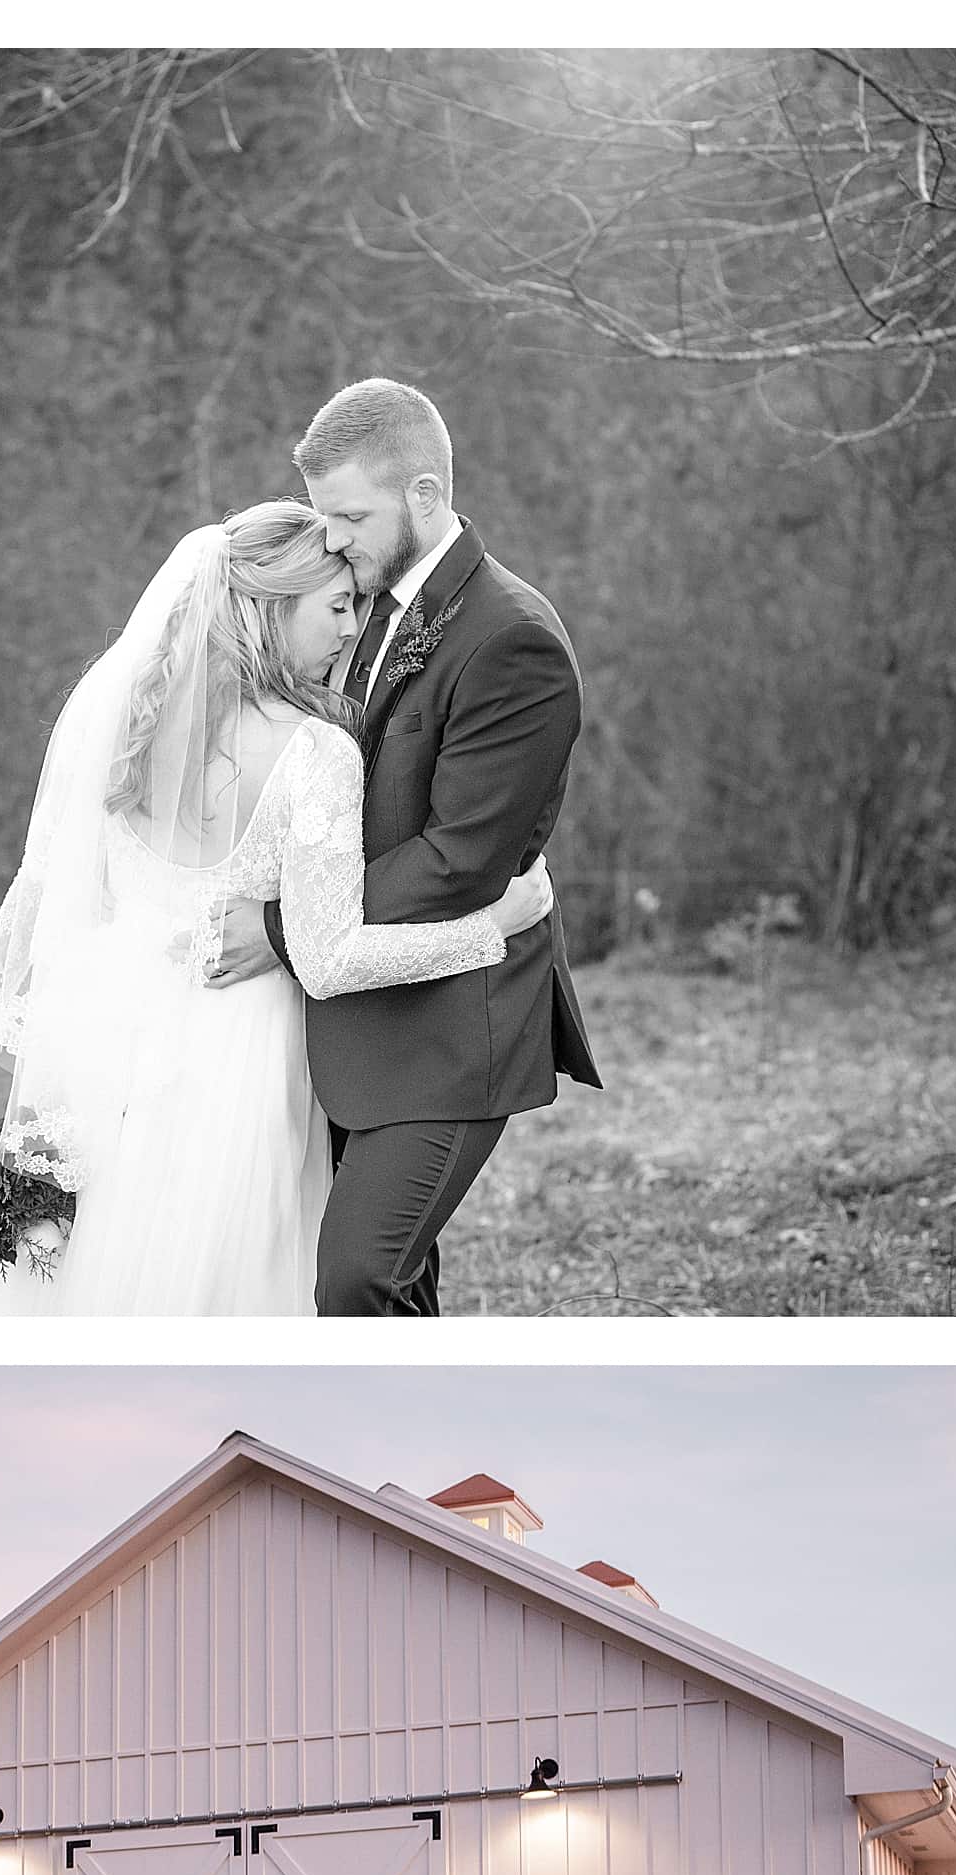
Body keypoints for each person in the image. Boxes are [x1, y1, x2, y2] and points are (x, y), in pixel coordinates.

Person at [0, 501, 552, 1315]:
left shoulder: (126, 725)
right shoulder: (316, 751)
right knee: (231, 1278)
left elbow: (37, 887)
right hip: (238, 1057)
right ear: (267, 610)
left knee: (107, 1264)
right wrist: (489, 929)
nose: (351, 629)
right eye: (336, 607)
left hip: (113, 1053)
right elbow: (330, 963)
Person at [208, 378, 603, 1314]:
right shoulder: (361, 605)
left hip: (453, 1026)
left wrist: (277, 926)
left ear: (424, 496)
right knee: (396, 1288)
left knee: (357, 1280)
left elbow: (458, 861)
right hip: (346, 1013)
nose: (332, 541)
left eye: (350, 515)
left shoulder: (513, 641)